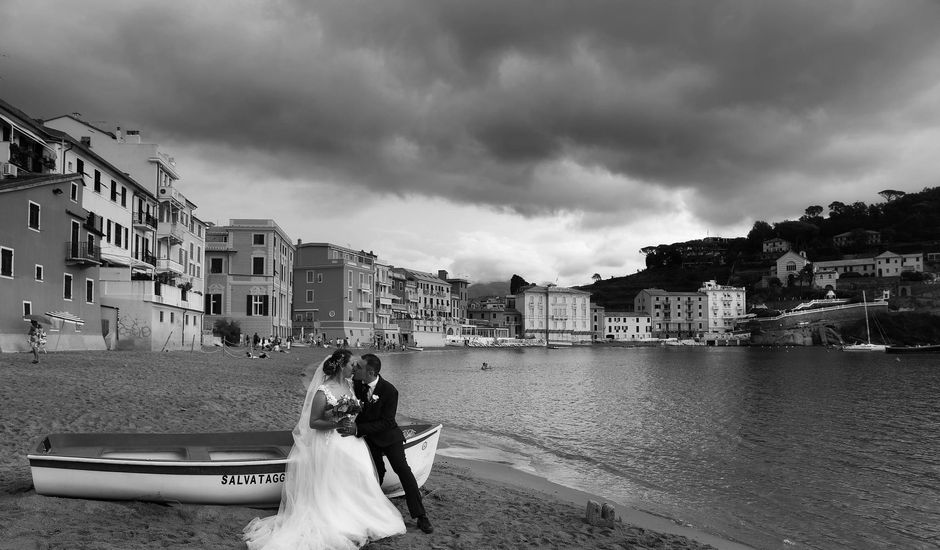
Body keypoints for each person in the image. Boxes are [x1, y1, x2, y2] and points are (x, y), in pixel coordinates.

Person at [243, 349, 405, 549]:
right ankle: (337, 517)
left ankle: (357, 512)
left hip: (351, 440)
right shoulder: (323, 391)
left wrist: (352, 419)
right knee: (335, 480)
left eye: (355, 366)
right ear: (340, 366)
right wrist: (337, 422)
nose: (354, 368)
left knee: (361, 473)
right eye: (351, 365)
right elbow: (313, 422)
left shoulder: (350, 385)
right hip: (331, 441)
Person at [345, 353, 433, 534]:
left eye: (359, 367)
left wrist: (357, 429)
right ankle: (372, 510)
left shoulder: (390, 391)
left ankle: (420, 515)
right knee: (377, 472)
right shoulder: (356, 385)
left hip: (389, 436)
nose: (355, 369)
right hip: (368, 439)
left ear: (370, 372)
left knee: (404, 470)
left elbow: (387, 422)